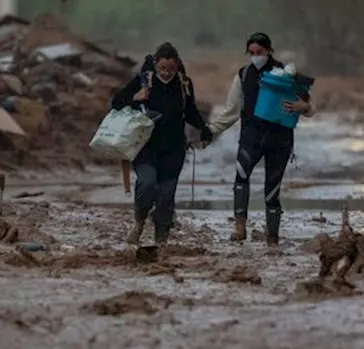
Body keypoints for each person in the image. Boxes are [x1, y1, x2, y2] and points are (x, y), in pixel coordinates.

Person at [207, 32, 315, 246]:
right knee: (241, 178)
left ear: (269, 50)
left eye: (260, 52)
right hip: (251, 137)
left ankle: (272, 237)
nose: (256, 56)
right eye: (252, 52)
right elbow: (231, 112)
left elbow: (310, 106)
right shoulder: (243, 75)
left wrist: (305, 108)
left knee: (272, 190)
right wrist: (209, 133)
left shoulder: (286, 74)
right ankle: (240, 228)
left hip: (280, 140)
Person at [111, 42, 212, 246]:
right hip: (146, 146)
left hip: (174, 148)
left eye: (171, 69)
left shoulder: (184, 84)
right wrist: (135, 98)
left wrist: (203, 128)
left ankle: (161, 241)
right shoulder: (143, 81)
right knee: (147, 184)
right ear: (155, 64)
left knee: (166, 196)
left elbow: (190, 110)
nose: (166, 73)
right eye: (162, 69)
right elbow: (117, 103)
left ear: (177, 66)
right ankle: (139, 221)